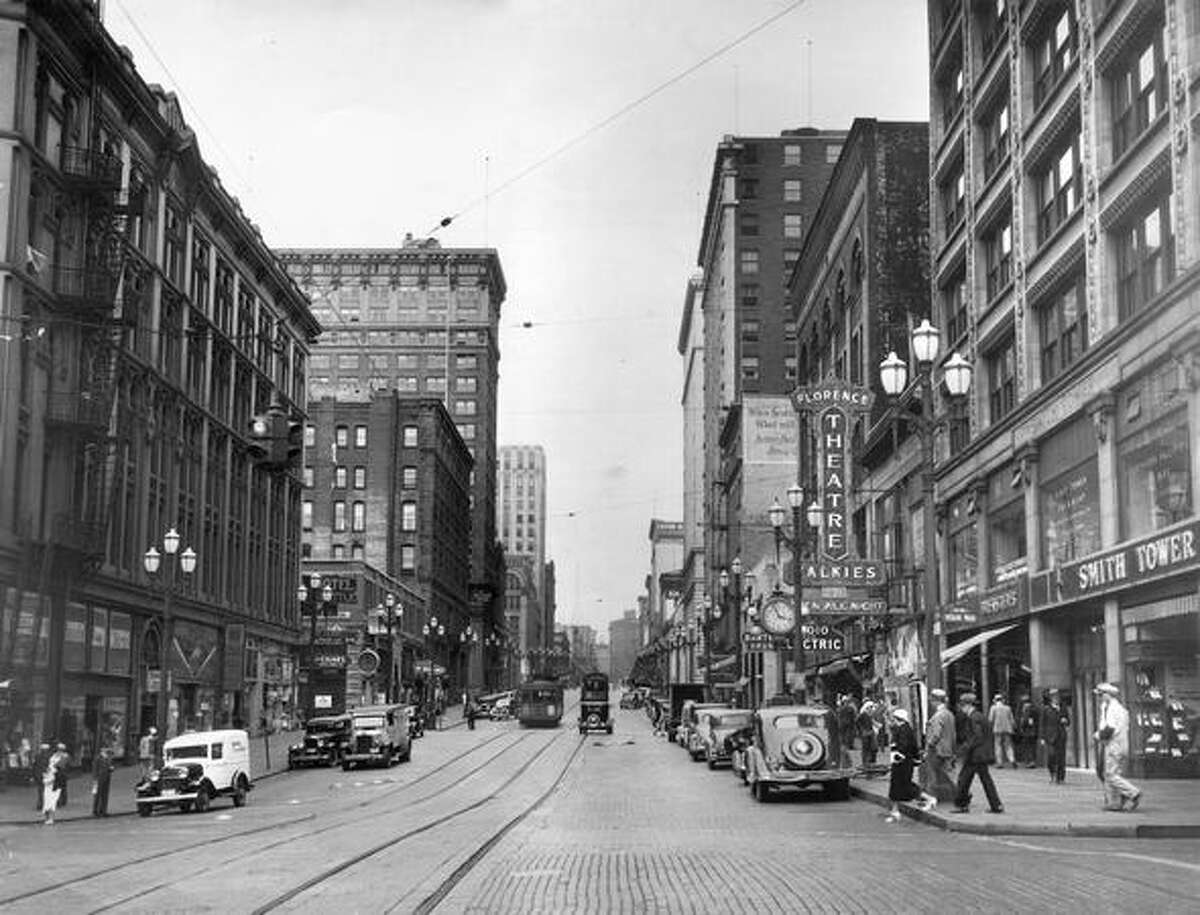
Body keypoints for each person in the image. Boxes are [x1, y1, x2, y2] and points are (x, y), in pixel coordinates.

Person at [951, 693, 1004, 815]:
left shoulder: (973, 718)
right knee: (984, 780)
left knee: (964, 779)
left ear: (968, 705)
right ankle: (996, 805)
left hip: (976, 755)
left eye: (963, 706)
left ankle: (962, 804)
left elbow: (976, 736)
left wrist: (964, 749)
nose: (962, 709)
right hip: (980, 754)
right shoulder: (979, 716)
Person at [1094, 682, 1141, 812]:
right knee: (1113, 774)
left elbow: (1110, 728)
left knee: (1110, 775)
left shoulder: (1114, 709)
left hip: (1114, 745)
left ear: (1107, 695)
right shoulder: (1113, 708)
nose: (1099, 698)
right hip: (1118, 744)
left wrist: (1098, 735)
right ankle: (1115, 802)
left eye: (1100, 695)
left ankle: (1132, 793)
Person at [884, 708, 936, 823]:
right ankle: (895, 811)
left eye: (893, 719)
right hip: (904, 763)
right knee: (897, 787)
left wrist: (897, 756)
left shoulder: (902, 730)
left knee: (903, 786)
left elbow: (903, 747)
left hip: (902, 764)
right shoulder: (905, 729)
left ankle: (929, 799)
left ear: (897, 719)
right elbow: (913, 747)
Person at [921, 689, 957, 805]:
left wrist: (929, 745)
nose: (931, 703)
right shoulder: (949, 714)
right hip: (947, 749)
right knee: (946, 774)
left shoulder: (938, 716)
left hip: (936, 750)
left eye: (932, 701)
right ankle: (960, 793)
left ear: (935, 701)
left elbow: (936, 734)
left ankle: (931, 798)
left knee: (932, 774)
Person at [1039, 689, 1070, 784]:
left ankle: (1061, 777)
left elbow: (1069, 721)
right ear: (1051, 699)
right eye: (1054, 697)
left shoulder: (1063, 708)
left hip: (1061, 735)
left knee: (1061, 757)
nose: (1056, 699)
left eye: (1057, 697)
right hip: (1050, 736)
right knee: (1051, 756)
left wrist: (1066, 721)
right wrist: (1042, 737)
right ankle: (1052, 773)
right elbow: (1042, 724)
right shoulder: (1046, 709)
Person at [42, 742, 69, 825]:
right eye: (58, 749)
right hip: (48, 780)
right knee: (46, 799)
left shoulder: (65, 757)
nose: (59, 751)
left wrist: (53, 769)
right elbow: (48, 765)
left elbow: (60, 767)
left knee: (52, 800)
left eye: (61, 750)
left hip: (56, 781)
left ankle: (51, 818)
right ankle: (46, 817)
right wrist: (47, 771)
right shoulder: (53, 756)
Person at [988, 693, 1016, 769]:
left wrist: (990, 728)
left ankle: (999, 762)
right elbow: (1012, 720)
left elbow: (990, 719)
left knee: (998, 745)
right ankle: (1012, 759)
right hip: (1007, 729)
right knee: (1008, 745)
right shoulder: (1008, 708)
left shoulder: (993, 708)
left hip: (997, 729)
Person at [1016, 694, 1038, 767]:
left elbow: (1024, 720)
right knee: (1032, 746)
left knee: (1028, 746)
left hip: (1027, 731)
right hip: (1033, 730)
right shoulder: (1034, 708)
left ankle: (1030, 761)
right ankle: (1032, 761)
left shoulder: (1026, 709)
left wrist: (1021, 727)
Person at [857, 697, 880, 768]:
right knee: (866, 748)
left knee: (872, 748)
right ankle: (866, 762)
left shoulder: (869, 715)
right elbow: (858, 723)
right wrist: (862, 730)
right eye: (870, 707)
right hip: (866, 734)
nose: (871, 709)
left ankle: (870, 762)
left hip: (870, 733)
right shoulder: (863, 715)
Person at [836, 694, 858, 767]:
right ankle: (848, 745)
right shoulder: (850, 708)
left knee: (843, 734)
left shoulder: (841, 708)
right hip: (849, 723)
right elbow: (853, 716)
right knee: (849, 734)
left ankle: (844, 744)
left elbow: (838, 715)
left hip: (842, 723)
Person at [92, 746, 114, 817]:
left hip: (107, 778)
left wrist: (111, 769)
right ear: (101, 750)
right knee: (98, 795)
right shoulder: (98, 758)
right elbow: (95, 769)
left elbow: (110, 767)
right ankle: (95, 811)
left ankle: (103, 810)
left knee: (105, 795)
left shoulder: (108, 758)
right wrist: (95, 779)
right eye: (105, 749)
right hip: (99, 778)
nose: (106, 750)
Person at [31, 741, 50, 812]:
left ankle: (40, 804)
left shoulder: (37, 756)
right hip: (46, 776)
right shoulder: (49, 757)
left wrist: (33, 775)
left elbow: (34, 766)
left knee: (40, 790)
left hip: (39, 776)